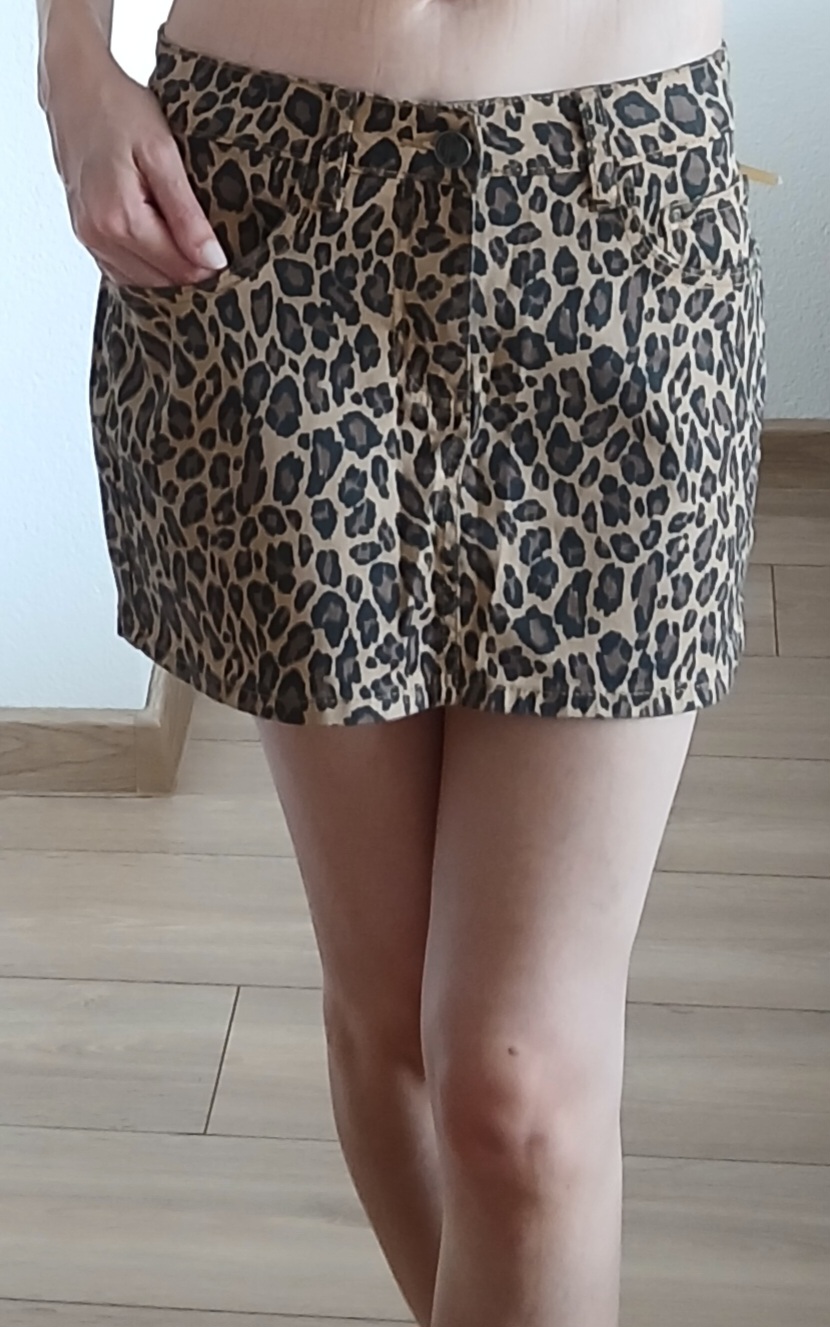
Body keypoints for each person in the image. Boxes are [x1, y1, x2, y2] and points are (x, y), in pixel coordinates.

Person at [36, 2, 766, 1324]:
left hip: (617, 205)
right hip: (269, 203)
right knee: (388, 1029)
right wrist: (70, 61)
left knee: (518, 1092)